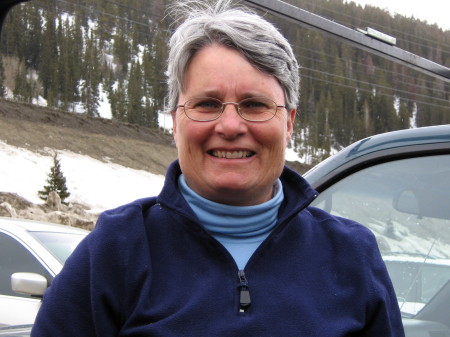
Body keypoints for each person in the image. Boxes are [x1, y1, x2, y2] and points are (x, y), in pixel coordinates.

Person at [31, 0, 405, 336]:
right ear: (175, 121)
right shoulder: (114, 252)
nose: (229, 126)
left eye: (255, 104)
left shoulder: (352, 254)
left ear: (289, 122)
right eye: (207, 104)